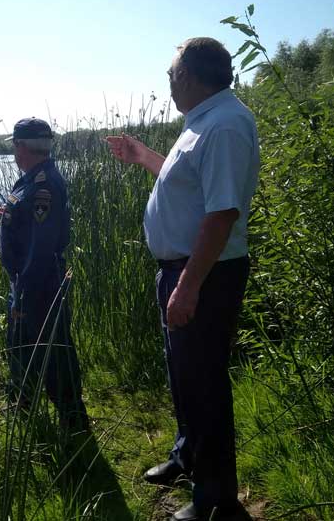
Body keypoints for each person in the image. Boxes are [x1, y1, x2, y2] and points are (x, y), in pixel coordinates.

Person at [107, 37, 259, 521]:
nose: (169, 83)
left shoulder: (226, 125)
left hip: (205, 275)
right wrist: (142, 156)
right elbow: (188, 185)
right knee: (184, 378)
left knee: (204, 384)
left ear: (189, 76)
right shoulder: (202, 122)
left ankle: (216, 501)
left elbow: (221, 214)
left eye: (171, 74)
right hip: (184, 271)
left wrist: (188, 286)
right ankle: (187, 457)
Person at [0, 117, 88, 431]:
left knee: (53, 350)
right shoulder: (33, 178)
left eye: (15, 145)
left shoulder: (42, 186)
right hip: (29, 281)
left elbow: (40, 245)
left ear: (22, 147)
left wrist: (22, 294)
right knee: (20, 344)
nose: (14, 152)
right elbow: (32, 225)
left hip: (38, 283)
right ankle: (23, 403)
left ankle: (72, 419)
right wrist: (10, 216)